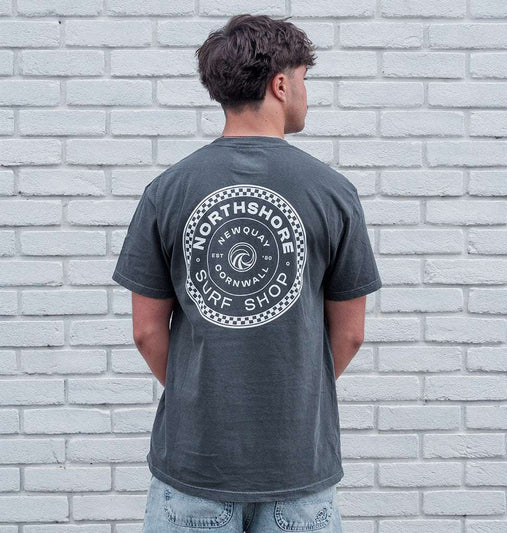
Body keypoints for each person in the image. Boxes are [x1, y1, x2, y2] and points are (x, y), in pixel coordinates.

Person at [112, 13, 382, 533]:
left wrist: (201, 393)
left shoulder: (168, 190)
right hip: (297, 465)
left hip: (195, 464)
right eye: (304, 79)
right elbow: (349, 334)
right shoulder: (332, 193)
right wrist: (292, 389)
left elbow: (146, 331)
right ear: (280, 85)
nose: (305, 94)